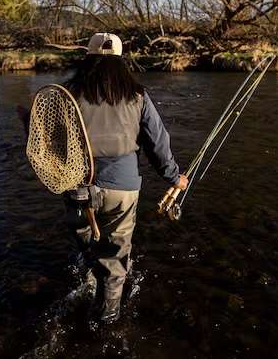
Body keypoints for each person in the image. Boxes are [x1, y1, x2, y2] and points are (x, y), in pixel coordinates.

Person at [63, 32, 188, 324]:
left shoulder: (67, 93)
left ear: (88, 58)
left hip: (77, 189)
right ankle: (107, 321)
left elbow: (48, 143)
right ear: (121, 61)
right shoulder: (137, 96)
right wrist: (174, 178)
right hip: (123, 189)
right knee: (116, 259)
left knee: (87, 244)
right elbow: (157, 142)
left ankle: (89, 276)